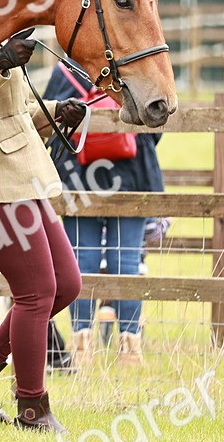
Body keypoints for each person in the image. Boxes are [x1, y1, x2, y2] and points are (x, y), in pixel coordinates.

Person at [0, 31, 87, 433]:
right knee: (36, 293)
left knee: (66, 285)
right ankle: (32, 409)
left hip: (24, 178)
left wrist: (58, 110)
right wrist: (0, 61)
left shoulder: (6, 32)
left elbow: (18, 109)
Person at [44, 59, 165, 364]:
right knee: (125, 258)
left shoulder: (66, 72)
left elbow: (50, 120)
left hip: (78, 174)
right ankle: (129, 345)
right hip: (132, 172)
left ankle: (82, 341)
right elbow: (156, 117)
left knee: (80, 258)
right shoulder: (136, 64)